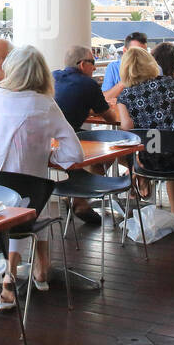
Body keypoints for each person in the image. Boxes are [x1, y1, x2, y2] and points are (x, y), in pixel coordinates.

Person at [0, 45, 84, 310]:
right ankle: (29, 269)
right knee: (37, 191)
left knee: (30, 192)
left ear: (11, 69)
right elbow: (75, 154)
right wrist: (48, 155)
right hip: (25, 200)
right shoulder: (45, 104)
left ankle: (29, 269)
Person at [115, 46, 174, 229]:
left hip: (147, 162)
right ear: (150, 64)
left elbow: (127, 130)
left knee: (155, 148)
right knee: (173, 149)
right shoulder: (172, 83)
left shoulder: (125, 96)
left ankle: (140, 180)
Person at [53, 45, 117, 225]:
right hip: (68, 139)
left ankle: (75, 196)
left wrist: (86, 109)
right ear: (82, 65)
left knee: (86, 145)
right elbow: (111, 118)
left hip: (46, 140)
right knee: (107, 154)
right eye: (92, 63)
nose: (95, 68)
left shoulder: (52, 76)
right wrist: (99, 109)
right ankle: (80, 200)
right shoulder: (88, 84)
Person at [101, 31, 149, 100]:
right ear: (125, 51)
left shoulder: (151, 69)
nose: (140, 56)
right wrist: (125, 81)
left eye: (144, 52)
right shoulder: (114, 67)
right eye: (135, 52)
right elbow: (105, 98)